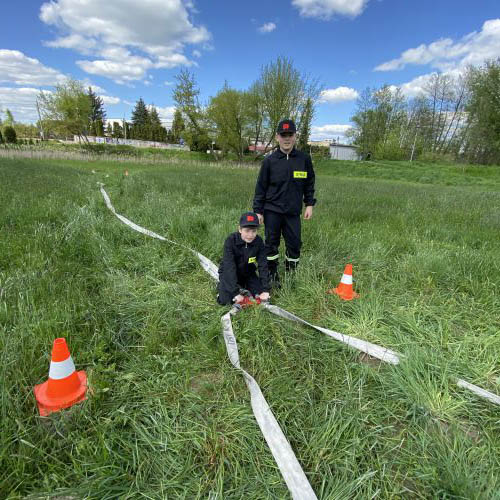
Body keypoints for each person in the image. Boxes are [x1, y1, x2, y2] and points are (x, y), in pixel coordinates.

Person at [252, 119, 316, 288]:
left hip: (293, 212)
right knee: (271, 244)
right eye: (283, 135)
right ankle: (272, 275)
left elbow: (309, 183)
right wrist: (258, 211)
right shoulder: (269, 161)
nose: (287, 138)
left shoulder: (304, 159)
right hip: (272, 210)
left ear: (295, 136)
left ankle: (291, 274)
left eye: (290, 135)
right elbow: (261, 187)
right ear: (277, 137)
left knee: (294, 243)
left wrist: (309, 204)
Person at [217, 212, 271, 305]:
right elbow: (229, 266)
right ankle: (223, 287)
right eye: (247, 231)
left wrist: (265, 289)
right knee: (225, 301)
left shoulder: (258, 241)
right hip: (229, 273)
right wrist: (235, 293)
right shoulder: (231, 241)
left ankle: (243, 287)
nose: (250, 235)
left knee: (259, 295)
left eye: (254, 231)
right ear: (240, 229)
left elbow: (263, 264)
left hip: (248, 273)